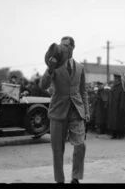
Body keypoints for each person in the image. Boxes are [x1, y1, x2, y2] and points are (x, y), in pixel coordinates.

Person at [39, 36, 90, 184]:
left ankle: (76, 177)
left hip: (76, 110)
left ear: (73, 47)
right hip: (58, 111)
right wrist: (50, 69)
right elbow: (42, 85)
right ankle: (59, 180)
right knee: (57, 149)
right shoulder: (54, 65)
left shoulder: (80, 68)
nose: (63, 49)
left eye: (66, 46)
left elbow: (83, 91)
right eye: (61, 46)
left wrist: (86, 111)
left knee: (80, 145)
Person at [107, 73, 125, 139]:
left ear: (119, 80)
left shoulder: (122, 87)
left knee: (119, 121)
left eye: (116, 79)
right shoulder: (113, 86)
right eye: (115, 79)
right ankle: (114, 134)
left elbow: (123, 97)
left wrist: (122, 106)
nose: (115, 80)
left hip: (119, 107)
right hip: (113, 107)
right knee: (113, 121)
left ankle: (120, 134)